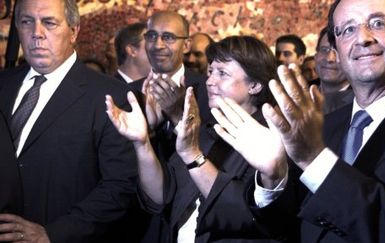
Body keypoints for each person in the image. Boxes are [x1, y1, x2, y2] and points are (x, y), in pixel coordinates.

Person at [209, 0, 385, 242]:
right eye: (348, 29)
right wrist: (274, 177)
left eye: (378, 23)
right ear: (337, 50)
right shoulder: (323, 125)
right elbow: (282, 229)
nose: (363, 38)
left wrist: (315, 160)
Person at [106, 35, 284, 243]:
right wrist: (142, 141)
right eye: (210, 72)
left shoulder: (271, 141)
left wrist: (193, 155)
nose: (209, 81)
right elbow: (160, 197)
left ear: (254, 85)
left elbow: (243, 216)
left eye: (222, 73)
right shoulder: (206, 132)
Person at [0, 0, 138, 242]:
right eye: (26, 22)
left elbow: (119, 187)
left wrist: (52, 234)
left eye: (49, 23)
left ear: (74, 31)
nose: (37, 34)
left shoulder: (110, 96)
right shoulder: (3, 84)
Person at [143, 10, 209, 162]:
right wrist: (149, 130)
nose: (158, 45)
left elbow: (211, 149)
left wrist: (177, 115)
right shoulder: (127, 91)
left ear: (186, 45)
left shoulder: (209, 89)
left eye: (168, 37)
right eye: (151, 36)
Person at [314, 27, 353, 114]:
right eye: (324, 50)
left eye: (338, 52)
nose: (329, 58)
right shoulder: (301, 93)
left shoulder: (362, 100)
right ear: (315, 56)